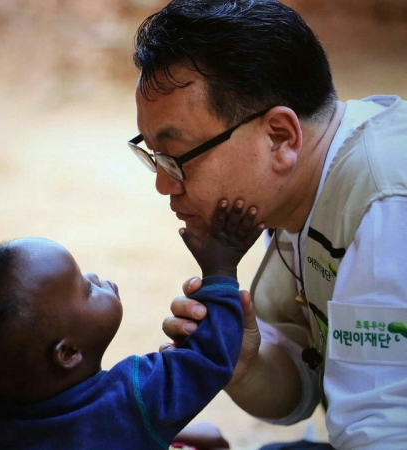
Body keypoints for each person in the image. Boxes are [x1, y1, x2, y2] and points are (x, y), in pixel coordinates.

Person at [128, 0, 407, 448]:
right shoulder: (294, 194)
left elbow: (383, 432)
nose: (164, 184)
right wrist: (244, 366)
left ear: (280, 138)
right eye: (154, 157)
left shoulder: (385, 205)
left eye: (176, 157)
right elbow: (301, 386)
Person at [0, 200, 262, 449]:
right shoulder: (130, 402)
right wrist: (220, 270)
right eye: (85, 289)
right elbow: (207, 360)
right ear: (68, 353)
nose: (95, 276)